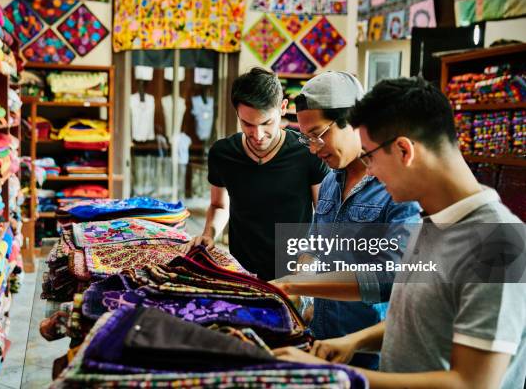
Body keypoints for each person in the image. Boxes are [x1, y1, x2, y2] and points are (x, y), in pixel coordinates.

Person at [273, 77, 526, 389]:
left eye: (369, 157)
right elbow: (422, 320)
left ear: (404, 150)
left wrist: (335, 376)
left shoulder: (497, 242)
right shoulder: (434, 222)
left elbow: (471, 383)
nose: (370, 172)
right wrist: (355, 341)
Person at [272, 72, 420, 370]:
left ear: (353, 120)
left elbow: (390, 278)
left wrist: (297, 285)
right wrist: (300, 295)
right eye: (306, 138)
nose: (313, 148)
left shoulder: (397, 188)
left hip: (371, 350)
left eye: (318, 134)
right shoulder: (329, 182)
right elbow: (313, 248)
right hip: (323, 339)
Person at [180, 67, 328, 280]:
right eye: (247, 124)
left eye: (266, 123)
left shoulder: (308, 149)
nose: (257, 135)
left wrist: (308, 268)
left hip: (295, 271)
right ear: (238, 114)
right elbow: (219, 205)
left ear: (283, 108)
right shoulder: (223, 153)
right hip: (241, 269)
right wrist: (209, 234)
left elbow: (323, 216)